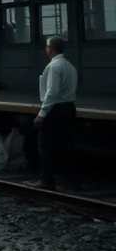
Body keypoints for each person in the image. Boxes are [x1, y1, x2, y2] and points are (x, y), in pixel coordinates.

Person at [25, 35, 80, 191]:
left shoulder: (54, 67)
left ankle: (47, 180)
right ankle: (73, 181)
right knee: (68, 145)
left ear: (50, 49)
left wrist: (41, 114)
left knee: (45, 145)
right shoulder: (69, 66)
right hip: (69, 108)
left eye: (46, 46)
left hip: (56, 109)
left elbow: (52, 92)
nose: (45, 49)